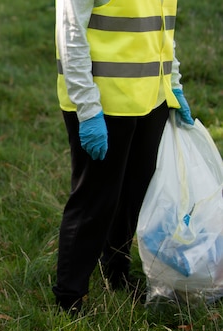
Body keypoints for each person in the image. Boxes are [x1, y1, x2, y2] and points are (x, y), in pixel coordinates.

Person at [53, 0, 194, 313]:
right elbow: (70, 33)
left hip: (151, 98)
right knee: (94, 199)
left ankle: (116, 271)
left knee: (133, 196)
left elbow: (160, 31)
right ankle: (69, 296)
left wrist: (173, 83)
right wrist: (88, 109)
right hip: (102, 104)